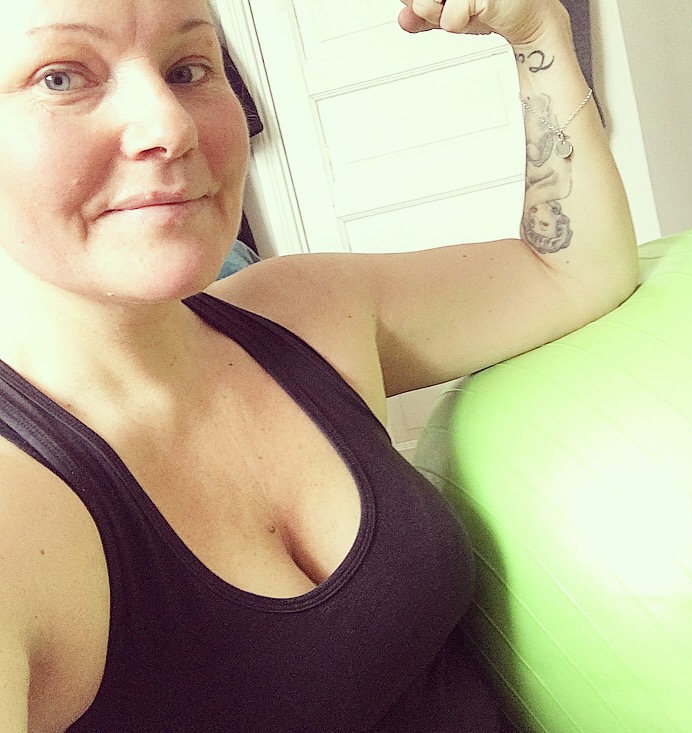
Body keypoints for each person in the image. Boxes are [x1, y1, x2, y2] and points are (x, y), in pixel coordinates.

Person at [0, 0, 637, 730]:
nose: (170, 126)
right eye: (60, 78)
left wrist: (537, 32)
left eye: (188, 69)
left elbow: (574, 270)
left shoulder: (304, 310)